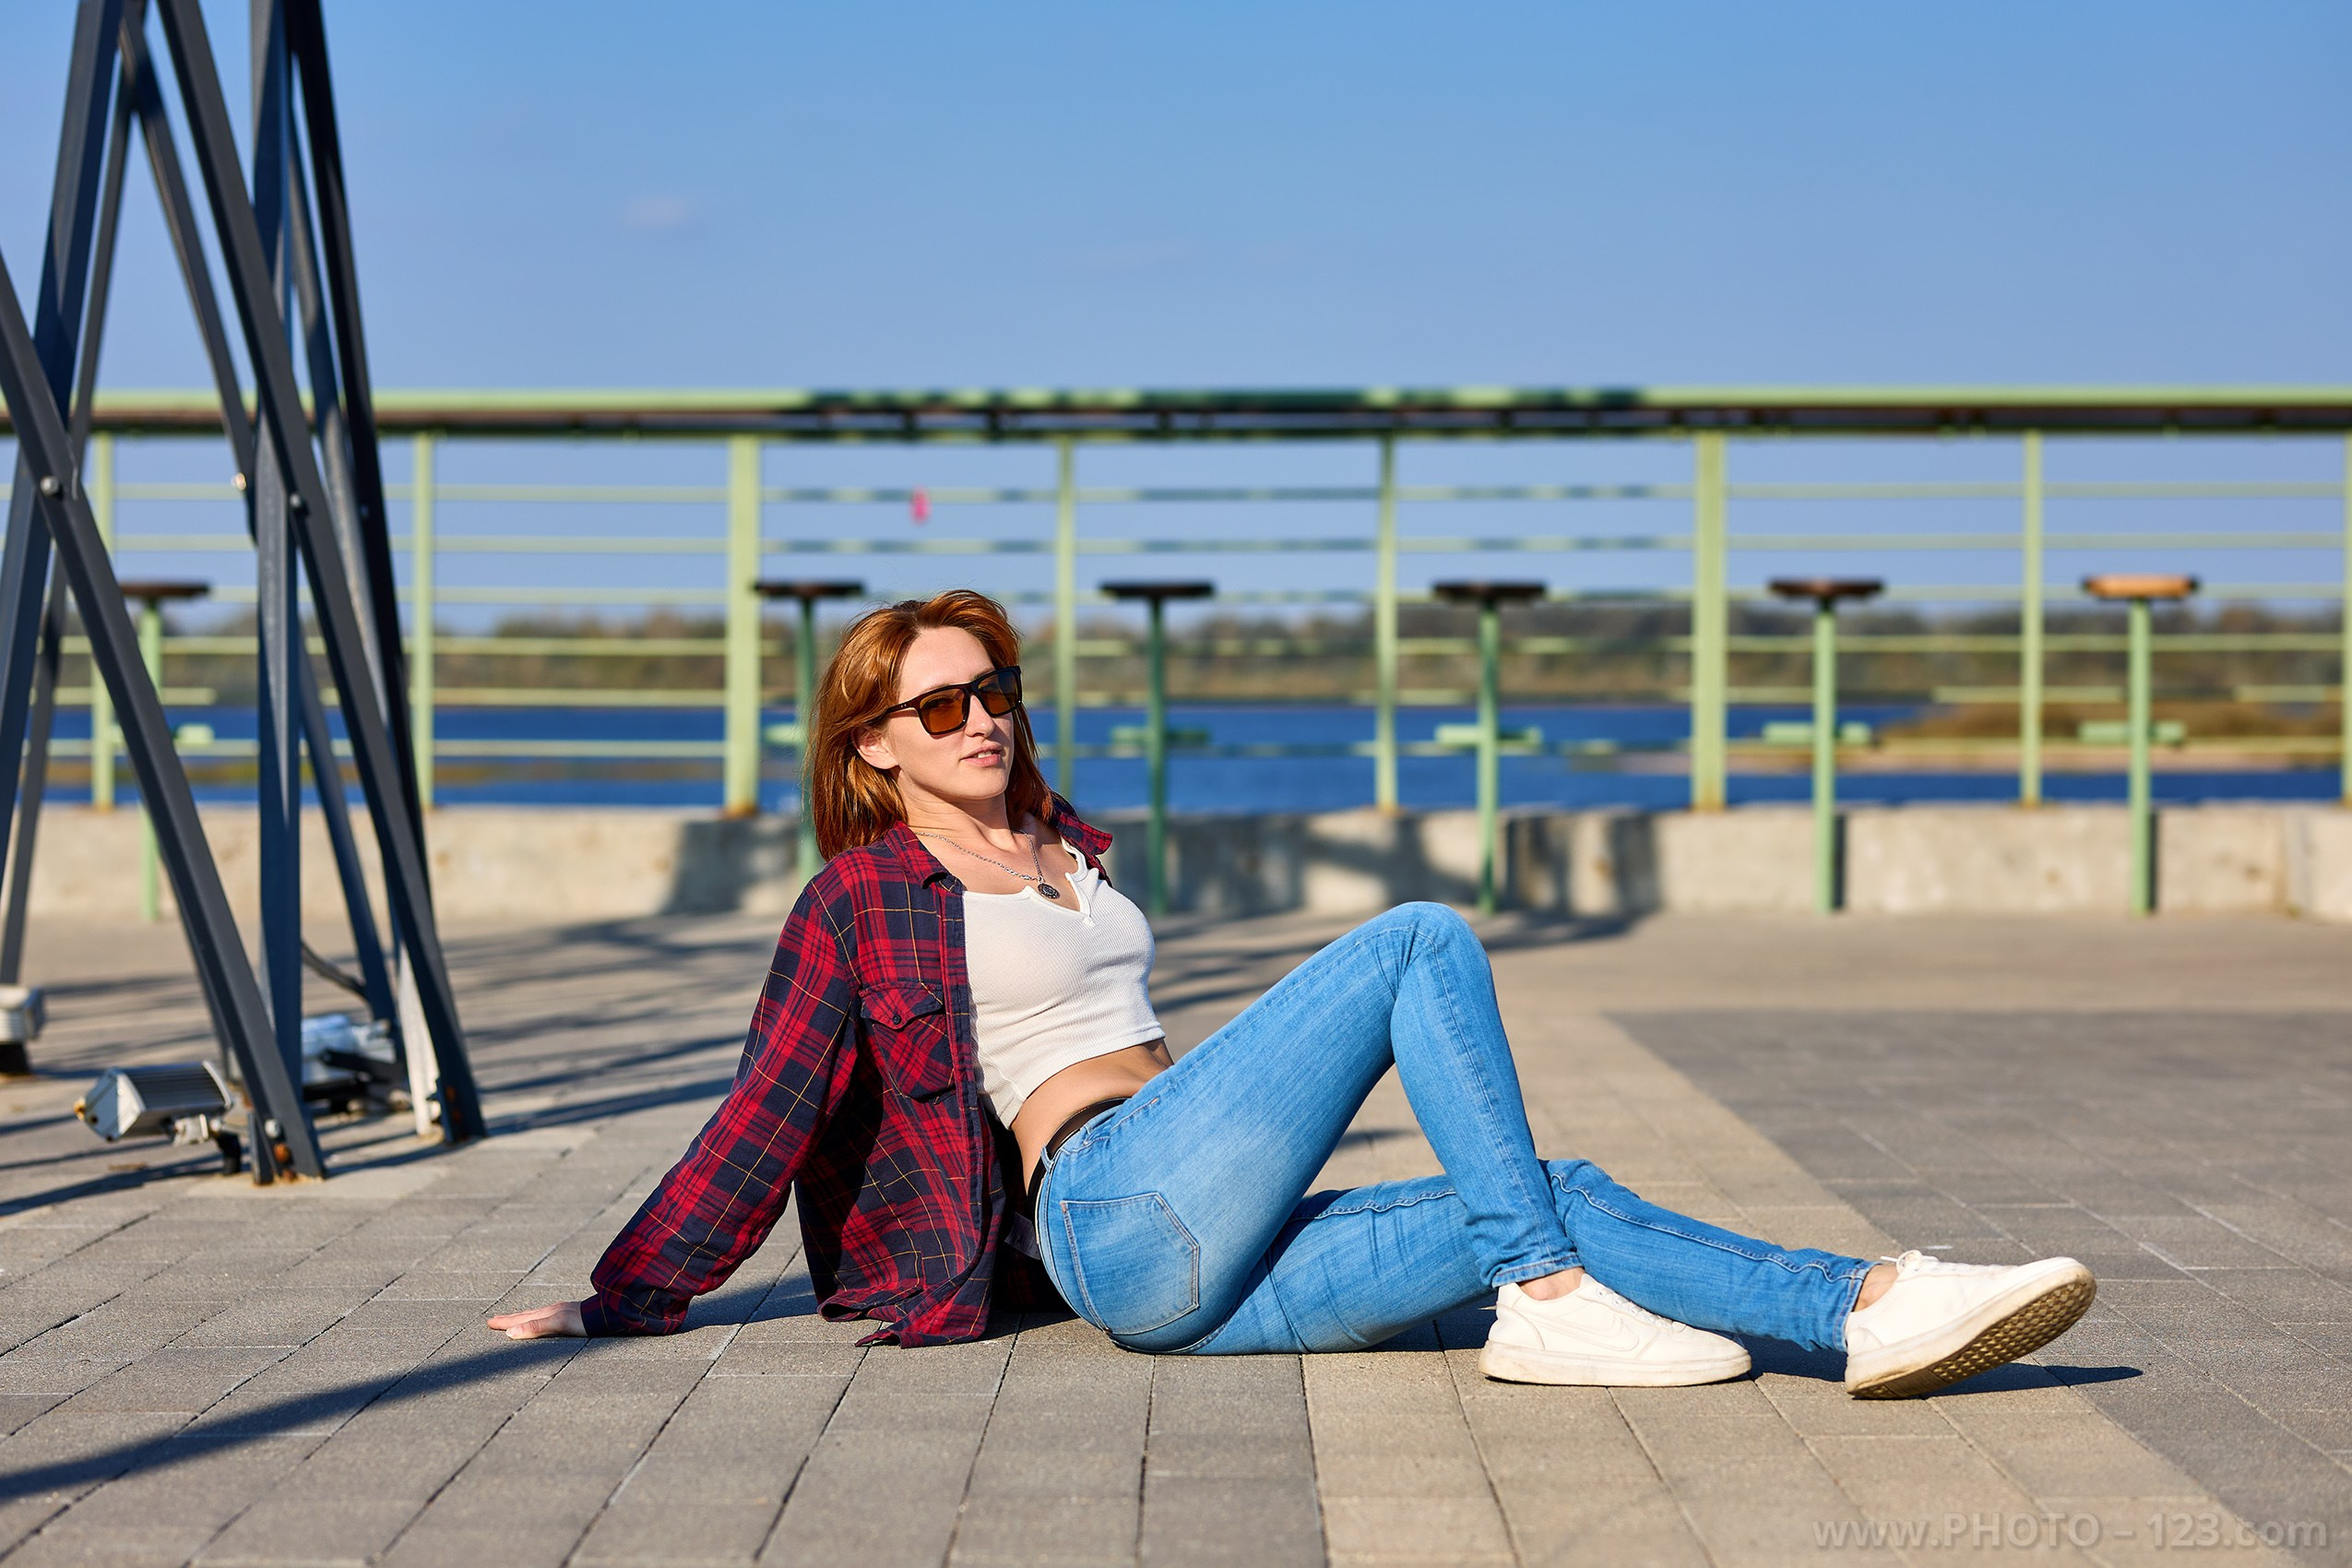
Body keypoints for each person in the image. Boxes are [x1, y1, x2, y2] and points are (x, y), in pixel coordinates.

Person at [489, 589, 2094, 1396]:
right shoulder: (859, 902)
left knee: (1547, 1186)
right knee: (1413, 942)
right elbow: (760, 1116)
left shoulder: (1066, 847)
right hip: (1102, 1210)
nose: (983, 717)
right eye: (943, 702)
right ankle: (1543, 1308)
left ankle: (1867, 1314)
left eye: (997, 690)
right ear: (873, 745)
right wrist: (624, 1294)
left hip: (1188, 1266)